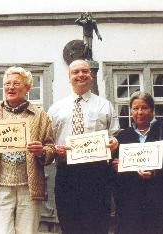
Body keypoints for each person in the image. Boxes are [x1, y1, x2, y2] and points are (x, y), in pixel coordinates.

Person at [0, 66, 56, 234]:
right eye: (7, 83)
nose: (10, 87)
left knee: (27, 231)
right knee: (1, 231)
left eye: (16, 83)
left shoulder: (41, 115)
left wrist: (42, 152)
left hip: (29, 186)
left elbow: (51, 148)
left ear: (27, 88)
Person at [48, 59, 119, 234]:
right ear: (69, 77)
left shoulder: (105, 105)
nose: (80, 75)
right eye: (76, 72)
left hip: (97, 174)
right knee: (70, 224)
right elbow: (48, 141)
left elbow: (115, 135)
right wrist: (55, 149)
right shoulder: (56, 109)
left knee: (98, 225)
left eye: (84, 71)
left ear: (91, 75)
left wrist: (114, 143)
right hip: (67, 173)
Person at [111, 91, 163, 234]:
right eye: (135, 108)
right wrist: (117, 166)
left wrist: (155, 172)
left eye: (144, 107)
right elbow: (116, 170)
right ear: (130, 111)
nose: (140, 112)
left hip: (161, 200)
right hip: (132, 204)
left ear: (152, 110)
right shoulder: (123, 136)